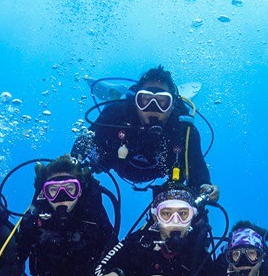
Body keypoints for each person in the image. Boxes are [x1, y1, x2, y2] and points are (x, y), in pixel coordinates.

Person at [72, 65, 219, 200]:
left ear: (172, 105)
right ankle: (115, 94)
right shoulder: (115, 115)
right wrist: (72, 163)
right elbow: (85, 142)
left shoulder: (184, 131)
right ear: (136, 102)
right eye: (146, 99)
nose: (152, 107)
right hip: (114, 160)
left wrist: (205, 188)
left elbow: (198, 174)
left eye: (162, 101)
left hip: (158, 171)